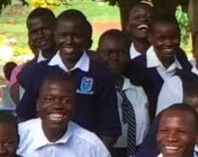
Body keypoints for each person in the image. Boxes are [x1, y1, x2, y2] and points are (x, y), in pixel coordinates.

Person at [17, 10, 120, 146]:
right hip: (42, 151)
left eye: (76, 36)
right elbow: (24, 116)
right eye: (63, 35)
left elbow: (110, 130)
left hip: (85, 155)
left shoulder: (100, 74)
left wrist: (93, 155)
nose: (69, 41)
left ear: (86, 37)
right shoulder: (39, 70)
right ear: (54, 36)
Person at [95, 29, 150, 157]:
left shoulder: (139, 87)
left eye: (120, 53)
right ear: (98, 53)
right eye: (108, 53)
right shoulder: (92, 90)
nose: (114, 58)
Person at [124, 13, 190, 117]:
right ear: (150, 38)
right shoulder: (135, 68)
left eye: (174, 37)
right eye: (162, 38)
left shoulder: (186, 67)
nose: (168, 43)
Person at [7, 7, 55, 104]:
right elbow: (25, 115)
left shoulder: (74, 62)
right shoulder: (27, 72)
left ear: (56, 28)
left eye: (44, 29)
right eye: (34, 32)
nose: (40, 35)